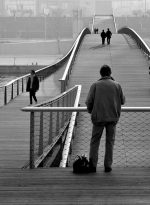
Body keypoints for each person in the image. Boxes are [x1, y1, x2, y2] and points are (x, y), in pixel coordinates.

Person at [85, 65, 125, 173]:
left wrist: (90, 110)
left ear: (100, 74)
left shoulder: (95, 85)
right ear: (110, 73)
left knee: (95, 142)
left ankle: (93, 165)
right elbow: (123, 101)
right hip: (112, 118)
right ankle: (108, 166)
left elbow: (89, 101)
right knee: (110, 142)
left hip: (98, 118)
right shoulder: (117, 85)